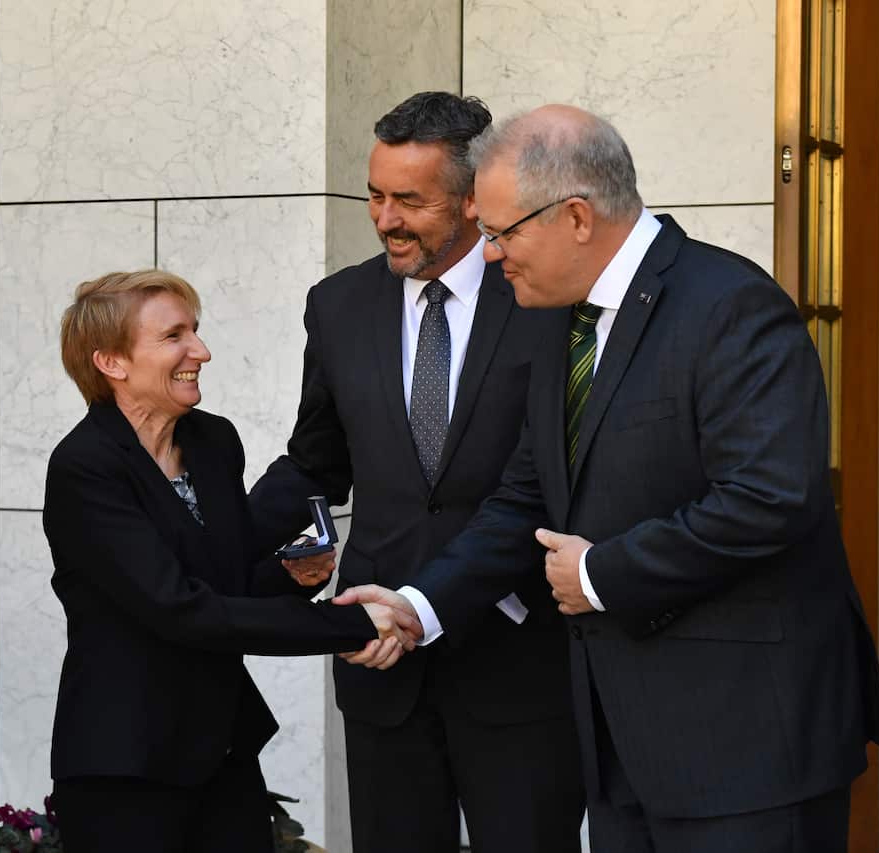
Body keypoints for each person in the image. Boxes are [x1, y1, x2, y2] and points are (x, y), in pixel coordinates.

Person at [337, 104, 879, 851]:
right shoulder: (559, 320)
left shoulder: (732, 305)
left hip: (748, 748)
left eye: (501, 234)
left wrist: (600, 573)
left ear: (577, 218)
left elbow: (768, 499)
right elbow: (527, 496)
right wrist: (417, 605)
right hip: (621, 754)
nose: (490, 257)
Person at [248, 91, 583, 853]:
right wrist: (216, 542)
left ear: (473, 202)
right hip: (380, 659)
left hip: (519, 659)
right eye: (375, 194)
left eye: (410, 200)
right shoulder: (337, 305)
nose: (385, 218)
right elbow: (316, 460)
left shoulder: (544, 297)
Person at [42, 269, 418, 853]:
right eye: (174, 337)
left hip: (222, 753)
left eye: (195, 330)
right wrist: (349, 623)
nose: (202, 351)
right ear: (112, 363)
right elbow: (180, 609)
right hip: (127, 765)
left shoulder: (213, 441)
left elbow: (227, 582)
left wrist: (290, 579)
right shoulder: (85, 469)